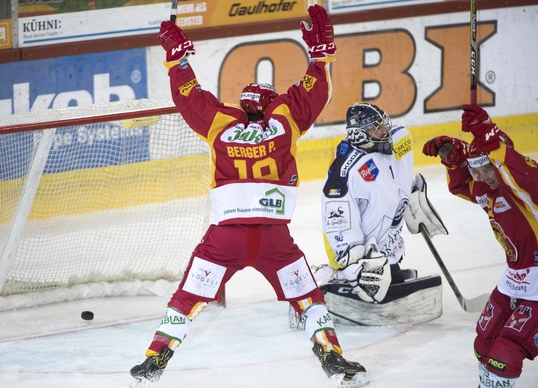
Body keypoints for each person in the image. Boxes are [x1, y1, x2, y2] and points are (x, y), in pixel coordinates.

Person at [130, 5, 369, 387]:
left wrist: (178, 60)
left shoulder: (220, 124)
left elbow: (188, 97)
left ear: (243, 105)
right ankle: (332, 355)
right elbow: (314, 94)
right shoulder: (285, 120)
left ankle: (155, 357)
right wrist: (320, 56)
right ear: (270, 103)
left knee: (189, 295)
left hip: (225, 238)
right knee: (307, 295)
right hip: (275, 238)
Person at [423, 104, 538, 388]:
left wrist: (491, 137)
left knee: (506, 352)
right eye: (478, 171)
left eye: (488, 169)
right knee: (484, 342)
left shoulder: (527, 184)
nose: (484, 177)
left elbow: (523, 173)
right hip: (515, 278)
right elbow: (465, 184)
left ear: (500, 161)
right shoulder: (487, 188)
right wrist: (453, 155)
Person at [308, 102, 443, 326]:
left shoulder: (399, 141)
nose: (384, 131)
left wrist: (412, 200)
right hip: (357, 251)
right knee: (375, 287)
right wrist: (354, 268)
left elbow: (398, 172)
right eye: (377, 128)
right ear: (359, 135)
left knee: (393, 279)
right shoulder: (343, 174)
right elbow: (339, 226)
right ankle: (333, 276)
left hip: (385, 246)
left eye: (383, 124)